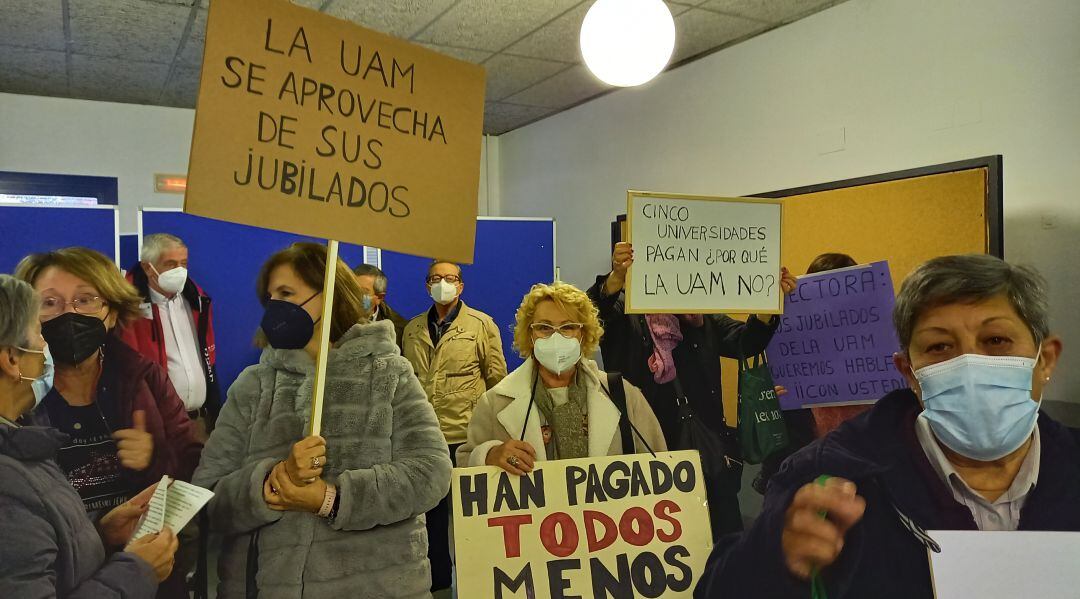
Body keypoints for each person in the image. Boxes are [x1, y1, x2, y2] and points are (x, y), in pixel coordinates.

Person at [695, 254, 1080, 599]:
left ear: (1045, 360)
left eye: (996, 340)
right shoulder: (825, 475)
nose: (969, 365)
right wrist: (771, 557)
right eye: (939, 347)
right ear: (909, 372)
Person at [193, 242, 451, 598]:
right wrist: (272, 482)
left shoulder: (388, 372)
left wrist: (331, 498)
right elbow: (208, 498)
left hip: (376, 586)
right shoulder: (253, 386)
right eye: (269, 298)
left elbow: (430, 472)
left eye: (287, 293)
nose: (275, 307)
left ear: (330, 294)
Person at [16, 247, 202, 599]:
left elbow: (193, 469)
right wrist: (97, 533)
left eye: (85, 300)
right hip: (55, 578)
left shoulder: (145, 378)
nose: (68, 315)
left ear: (112, 313)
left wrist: (154, 459)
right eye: (49, 303)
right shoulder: (15, 394)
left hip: (150, 574)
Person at [587, 241, 797, 537]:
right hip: (648, 451)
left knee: (720, 536)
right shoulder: (627, 314)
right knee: (662, 541)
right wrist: (615, 280)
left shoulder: (702, 319)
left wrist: (766, 307)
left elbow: (745, 342)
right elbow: (591, 315)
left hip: (706, 449)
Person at [458, 281, 667, 472]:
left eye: (568, 327)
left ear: (583, 333)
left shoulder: (623, 394)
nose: (556, 336)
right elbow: (464, 467)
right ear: (530, 335)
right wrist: (489, 455)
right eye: (544, 328)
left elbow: (661, 466)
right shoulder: (495, 402)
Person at [402, 259, 508, 592]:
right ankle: (439, 589)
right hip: (424, 441)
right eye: (436, 278)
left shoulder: (481, 325)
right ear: (427, 286)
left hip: (465, 441)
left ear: (461, 285)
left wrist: (496, 436)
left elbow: (497, 384)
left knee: (469, 522)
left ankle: (478, 586)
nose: (442, 284)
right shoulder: (412, 329)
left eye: (449, 278)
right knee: (430, 524)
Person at [754, 252, 868, 494]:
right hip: (803, 454)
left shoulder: (872, 337)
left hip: (858, 456)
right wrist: (772, 400)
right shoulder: (788, 331)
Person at [121, 233, 220, 443]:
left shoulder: (197, 301)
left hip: (198, 423)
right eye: (170, 264)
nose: (180, 271)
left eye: (183, 263)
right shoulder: (127, 309)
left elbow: (209, 359)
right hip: (155, 427)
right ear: (148, 268)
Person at [353, 263, 408, 348]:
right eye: (353, 289)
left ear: (379, 297)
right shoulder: (332, 320)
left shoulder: (399, 330)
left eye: (363, 292)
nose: (355, 296)